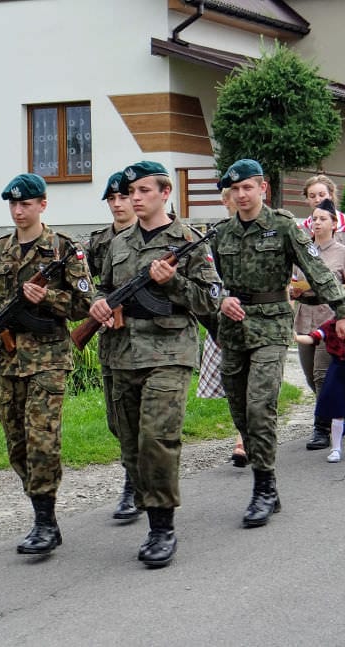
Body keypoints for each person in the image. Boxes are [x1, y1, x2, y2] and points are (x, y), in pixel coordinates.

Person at [88, 161, 221, 568]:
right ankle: (148, 511)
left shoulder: (188, 241)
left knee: (157, 440)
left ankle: (162, 527)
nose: (135, 198)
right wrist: (98, 303)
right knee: (130, 443)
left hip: (169, 352)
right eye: (131, 192)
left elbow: (210, 300)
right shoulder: (117, 243)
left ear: (165, 193)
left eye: (144, 190)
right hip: (120, 352)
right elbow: (102, 285)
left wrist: (172, 282)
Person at [211, 159, 345, 528]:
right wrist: (218, 302)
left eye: (248, 187)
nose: (241, 195)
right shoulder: (221, 234)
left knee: (260, 405)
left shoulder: (283, 227)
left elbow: (317, 270)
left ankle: (264, 486)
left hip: (272, 325)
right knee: (241, 409)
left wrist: (342, 310)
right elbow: (208, 283)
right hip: (233, 328)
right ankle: (266, 483)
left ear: (263, 189)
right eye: (235, 189)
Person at [0, 173, 93, 556]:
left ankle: (44, 520)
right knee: (17, 445)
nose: (19, 210)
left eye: (26, 204)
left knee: (43, 440)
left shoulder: (64, 250)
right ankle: (43, 514)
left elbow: (87, 306)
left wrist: (49, 298)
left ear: (43, 205)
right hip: (7, 362)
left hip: (49, 360)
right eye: (13, 204)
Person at [86, 171, 142, 520]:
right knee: (116, 419)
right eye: (112, 199)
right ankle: (132, 476)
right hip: (113, 340)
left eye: (124, 197)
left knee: (147, 422)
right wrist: (96, 303)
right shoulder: (98, 243)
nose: (118, 204)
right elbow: (89, 286)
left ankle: (137, 483)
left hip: (150, 341)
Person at [291, 198, 345, 451]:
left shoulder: (344, 253)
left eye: (323, 219)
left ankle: (321, 428)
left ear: (334, 223)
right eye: (314, 218)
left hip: (330, 319)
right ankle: (339, 409)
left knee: (322, 375)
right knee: (310, 375)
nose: (317, 223)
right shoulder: (304, 251)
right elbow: (294, 280)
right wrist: (294, 291)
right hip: (305, 317)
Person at [295, 284, 345, 461]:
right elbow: (313, 337)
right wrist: (295, 337)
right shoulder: (330, 325)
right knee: (337, 410)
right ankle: (336, 449)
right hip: (337, 370)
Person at [195, 188, 245, 467]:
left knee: (255, 383)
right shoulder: (214, 237)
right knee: (233, 383)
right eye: (230, 196)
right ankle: (241, 433)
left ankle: (246, 438)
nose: (237, 200)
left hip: (255, 317)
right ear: (224, 202)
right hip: (222, 318)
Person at [301, 174, 345, 273]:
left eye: (322, 195)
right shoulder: (304, 228)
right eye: (312, 196)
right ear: (307, 199)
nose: (317, 200)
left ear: (330, 195)